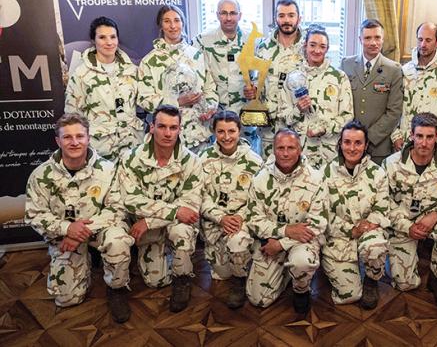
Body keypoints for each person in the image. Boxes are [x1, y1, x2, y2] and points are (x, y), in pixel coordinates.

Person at [25, 113, 133, 323]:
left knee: (118, 240)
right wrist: (67, 229)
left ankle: (116, 288)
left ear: (88, 137)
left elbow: (118, 208)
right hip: (64, 236)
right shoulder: (40, 175)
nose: (74, 142)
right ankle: (86, 262)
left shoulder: (108, 170)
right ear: (58, 141)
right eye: (67, 137)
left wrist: (79, 233)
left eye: (80, 136)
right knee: (66, 299)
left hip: (100, 229)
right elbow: (34, 215)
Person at [117, 104, 204, 312]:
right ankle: (152, 255)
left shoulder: (191, 160)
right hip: (149, 231)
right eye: (162, 126)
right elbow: (131, 199)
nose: (167, 133)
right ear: (151, 127)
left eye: (173, 127)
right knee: (156, 281)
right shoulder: (131, 158)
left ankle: (183, 279)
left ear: (180, 129)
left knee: (182, 231)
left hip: (166, 224)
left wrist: (149, 220)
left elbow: (189, 208)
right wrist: (173, 212)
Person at [384, 112, 437, 309]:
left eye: (430, 137)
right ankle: (394, 254)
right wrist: (407, 227)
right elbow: (382, 203)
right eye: (419, 136)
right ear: (411, 135)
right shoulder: (391, 164)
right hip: (402, 222)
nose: (424, 142)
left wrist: (436, 214)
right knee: (405, 284)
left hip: (434, 218)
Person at [245, 129, 328, 313]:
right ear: (273, 150)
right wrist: (285, 232)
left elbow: (319, 223)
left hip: (303, 242)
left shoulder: (316, 179)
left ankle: (301, 289)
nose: (285, 153)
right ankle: (286, 274)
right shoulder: (260, 180)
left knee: (302, 262)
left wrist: (282, 244)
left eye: (291, 148)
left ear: (300, 149)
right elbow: (253, 219)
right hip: (270, 241)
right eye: (280, 148)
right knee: (258, 300)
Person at [321, 120, 390, 309]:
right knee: (349, 295)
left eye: (358, 143)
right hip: (338, 235)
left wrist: (366, 226)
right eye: (347, 142)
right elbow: (321, 214)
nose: (352, 148)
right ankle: (331, 269)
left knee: (376, 247)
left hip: (369, 230)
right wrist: (350, 229)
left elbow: (383, 209)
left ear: (366, 145)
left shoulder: (378, 173)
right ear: (340, 144)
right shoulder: (325, 173)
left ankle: (371, 279)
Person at [199, 110, 264, 308]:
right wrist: (221, 218)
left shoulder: (254, 161)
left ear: (240, 131)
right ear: (213, 132)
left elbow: (259, 199)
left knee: (237, 245)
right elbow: (198, 195)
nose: (226, 137)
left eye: (231, 131)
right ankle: (234, 265)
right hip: (214, 224)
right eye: (221, 131)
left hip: (240, 224)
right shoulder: (203, 159)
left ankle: (240, 280)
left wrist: (238, 217)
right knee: (220, 274)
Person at [139, 5, 217, 153]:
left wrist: (210, 108)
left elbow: (209, 87)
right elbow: (144, 98)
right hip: (167, 138)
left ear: (183, 23)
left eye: (177, 20)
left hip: (198, 135)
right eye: (167, 21)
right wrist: (176, 102)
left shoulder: (196, 55)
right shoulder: (149, 61)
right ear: (161, 25)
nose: (173, 26)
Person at [64, 16, 144, 161]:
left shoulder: (133, 71)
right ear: (93, 41)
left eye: (113, 37)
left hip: (132, 145)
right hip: (101, 149)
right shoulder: (82, 74)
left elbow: (145, 102)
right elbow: (73, 116)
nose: (109, 42)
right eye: (102, 37)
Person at [279, 24, 353, 169]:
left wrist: (325, 128)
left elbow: (347, 116)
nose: (317, 50)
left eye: (322, 46)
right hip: (299, 152)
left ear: (327, 49)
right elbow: (283, 116)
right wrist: (297, 109)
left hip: (328, 152)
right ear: (305, 45)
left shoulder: (339, 77)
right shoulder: (293, 77)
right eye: (312, 45)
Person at [341, 19, 403, 164]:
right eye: (368, 38)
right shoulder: (346, 64)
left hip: (378, 147)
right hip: (349, 145)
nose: (373, 42)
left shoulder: (394, 69)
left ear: (383, 39)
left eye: (377, 37)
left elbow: (394, 111)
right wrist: (353, 139)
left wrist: (368, 137)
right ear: (360, 39)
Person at [393, 22, 437, 153]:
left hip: (434, 148)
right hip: (403, 147)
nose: (423, 44)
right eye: (420, 39)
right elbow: (393, 107)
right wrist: (395, 136)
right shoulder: (404, 71)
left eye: (428, 40)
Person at [254, 0, 305, 158]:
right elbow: (256, 82)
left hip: (298, 126)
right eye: (281, 15)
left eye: (291, 15)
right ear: (276, 18)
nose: (286, 20)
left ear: (299, 18)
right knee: (269, 173)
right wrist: (252, 91)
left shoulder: (309, 47)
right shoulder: (263, 47)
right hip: (269, 127)